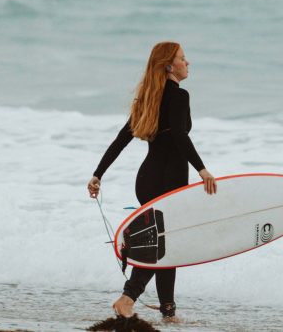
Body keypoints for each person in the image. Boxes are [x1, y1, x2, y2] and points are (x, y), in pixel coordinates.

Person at [87, 41, 217, 323]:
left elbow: (121, 139)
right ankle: (127, 299)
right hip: (168, 181)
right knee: (162, 249)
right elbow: (181, 137)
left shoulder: (149, 98)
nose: (188, 63)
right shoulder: (179, 97)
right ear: (170, 66)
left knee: (163, 246)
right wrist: (202, 169)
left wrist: (98, 174)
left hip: (147, 180)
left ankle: (168, 312)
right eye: (183, 59)